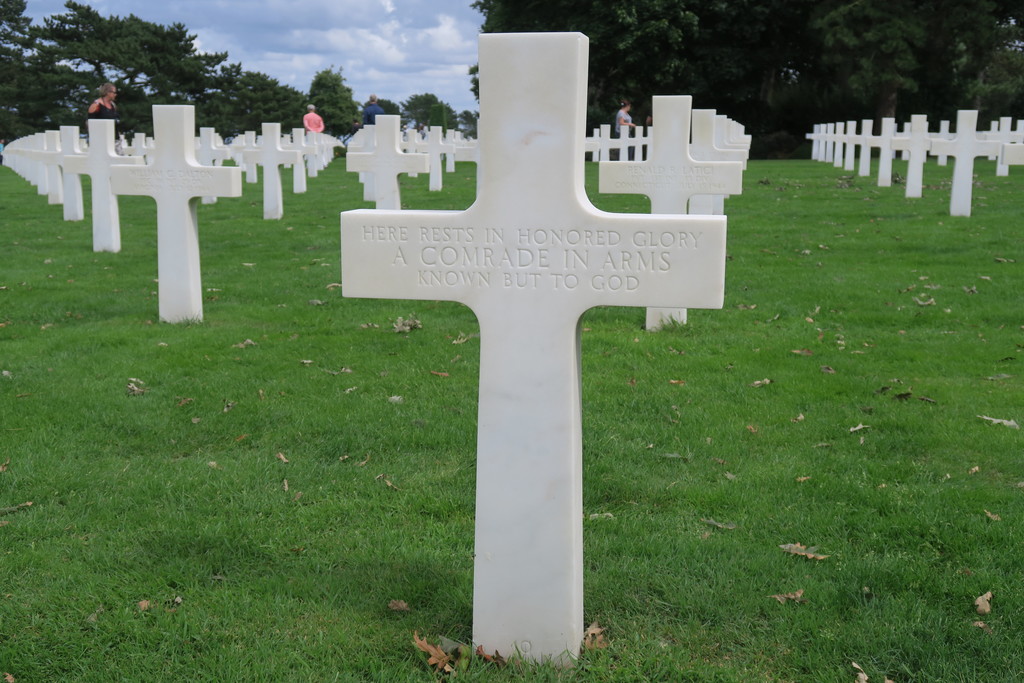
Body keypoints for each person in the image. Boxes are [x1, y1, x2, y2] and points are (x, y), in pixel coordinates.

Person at [88, 82, 121, 153]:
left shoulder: (113, 105)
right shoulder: (96, 105)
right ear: (107, 93)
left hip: (115, 139)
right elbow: (90, 123)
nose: (115, 94)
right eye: (114, 92)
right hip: (101, 140)